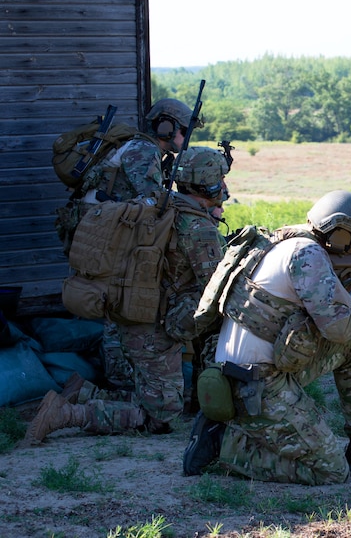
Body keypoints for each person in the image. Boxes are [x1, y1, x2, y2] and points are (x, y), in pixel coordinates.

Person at [182, 190, 351, 485]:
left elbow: (342, 306)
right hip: (254, 384)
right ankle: (224, 444)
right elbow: (341, 323)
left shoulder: (290, 241)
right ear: (340, 235)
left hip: (261, 370)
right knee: (330, 470)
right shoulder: (306, 255)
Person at [26, 147, 229, 443]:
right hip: (155, 328)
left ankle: (82, 392)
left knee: (151, 391)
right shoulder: (198, 227)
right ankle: (65, 415)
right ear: (209, 185)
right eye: (220, 181)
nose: (224, 187)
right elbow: (216, 285)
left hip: (130, 313)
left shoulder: (157, 206)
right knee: (161, 417)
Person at [55, 98, 202, 390]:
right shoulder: (143, 150)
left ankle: (119, 374)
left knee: (116, 302)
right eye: (183, 131)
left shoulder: (143, 148)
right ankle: (119, 380)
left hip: (108, 234)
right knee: (116, 302)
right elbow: (153, 201)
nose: (186, 139)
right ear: (165, 126)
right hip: (108, 239)